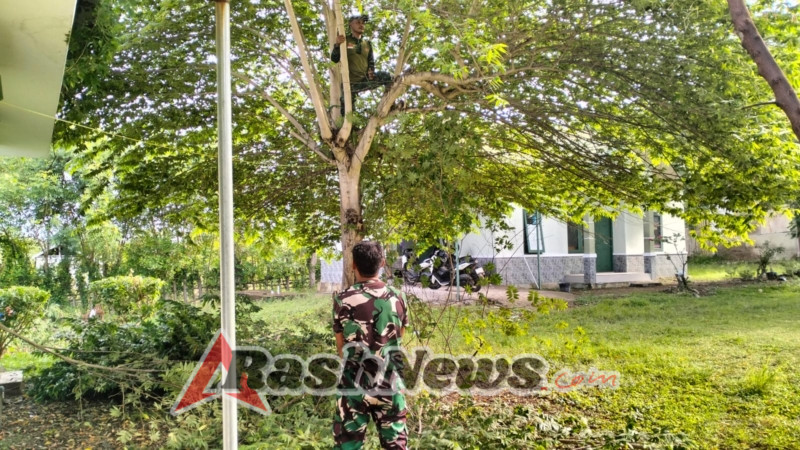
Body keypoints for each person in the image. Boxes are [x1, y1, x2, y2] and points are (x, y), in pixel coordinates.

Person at [332, 241, 409, 449]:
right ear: (382, 263)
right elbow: (398, 341)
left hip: (353, 387)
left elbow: (341, 349)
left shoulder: (342, 299)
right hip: (390, 386)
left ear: (353, 265)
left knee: (347, 446)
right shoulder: (398, 297)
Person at [331, 15, 395, 111]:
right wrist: (337, 45)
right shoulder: (345, 40)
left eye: (363, 23)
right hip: (350, 83)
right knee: (347, 109)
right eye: (358, 22)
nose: (361, 25)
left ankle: (390, 105)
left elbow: (371, 62)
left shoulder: (367, 43)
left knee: (388, 77)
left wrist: (371, 72)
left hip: (364, 80)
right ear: (350, 25)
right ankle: (350, 125)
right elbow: (334, 59)